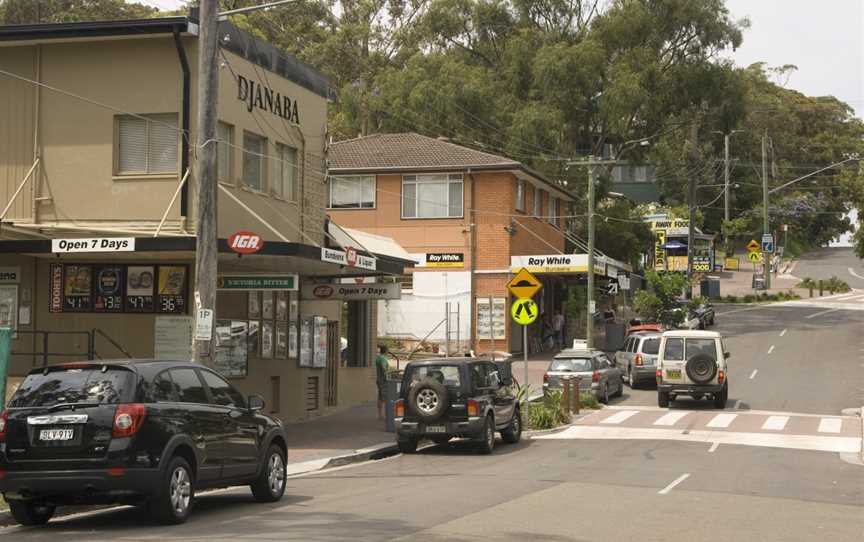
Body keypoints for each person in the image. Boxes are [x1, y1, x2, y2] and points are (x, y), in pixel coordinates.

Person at [375, 345, 390, 420]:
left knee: (380, 397)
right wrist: (389, 372)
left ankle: (380, 414)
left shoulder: (378, 357)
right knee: (384, 398)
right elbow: (384, 368)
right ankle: (384, 415)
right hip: (383, 380)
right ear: (386, 351)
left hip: (379, 379)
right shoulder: (383, 358)